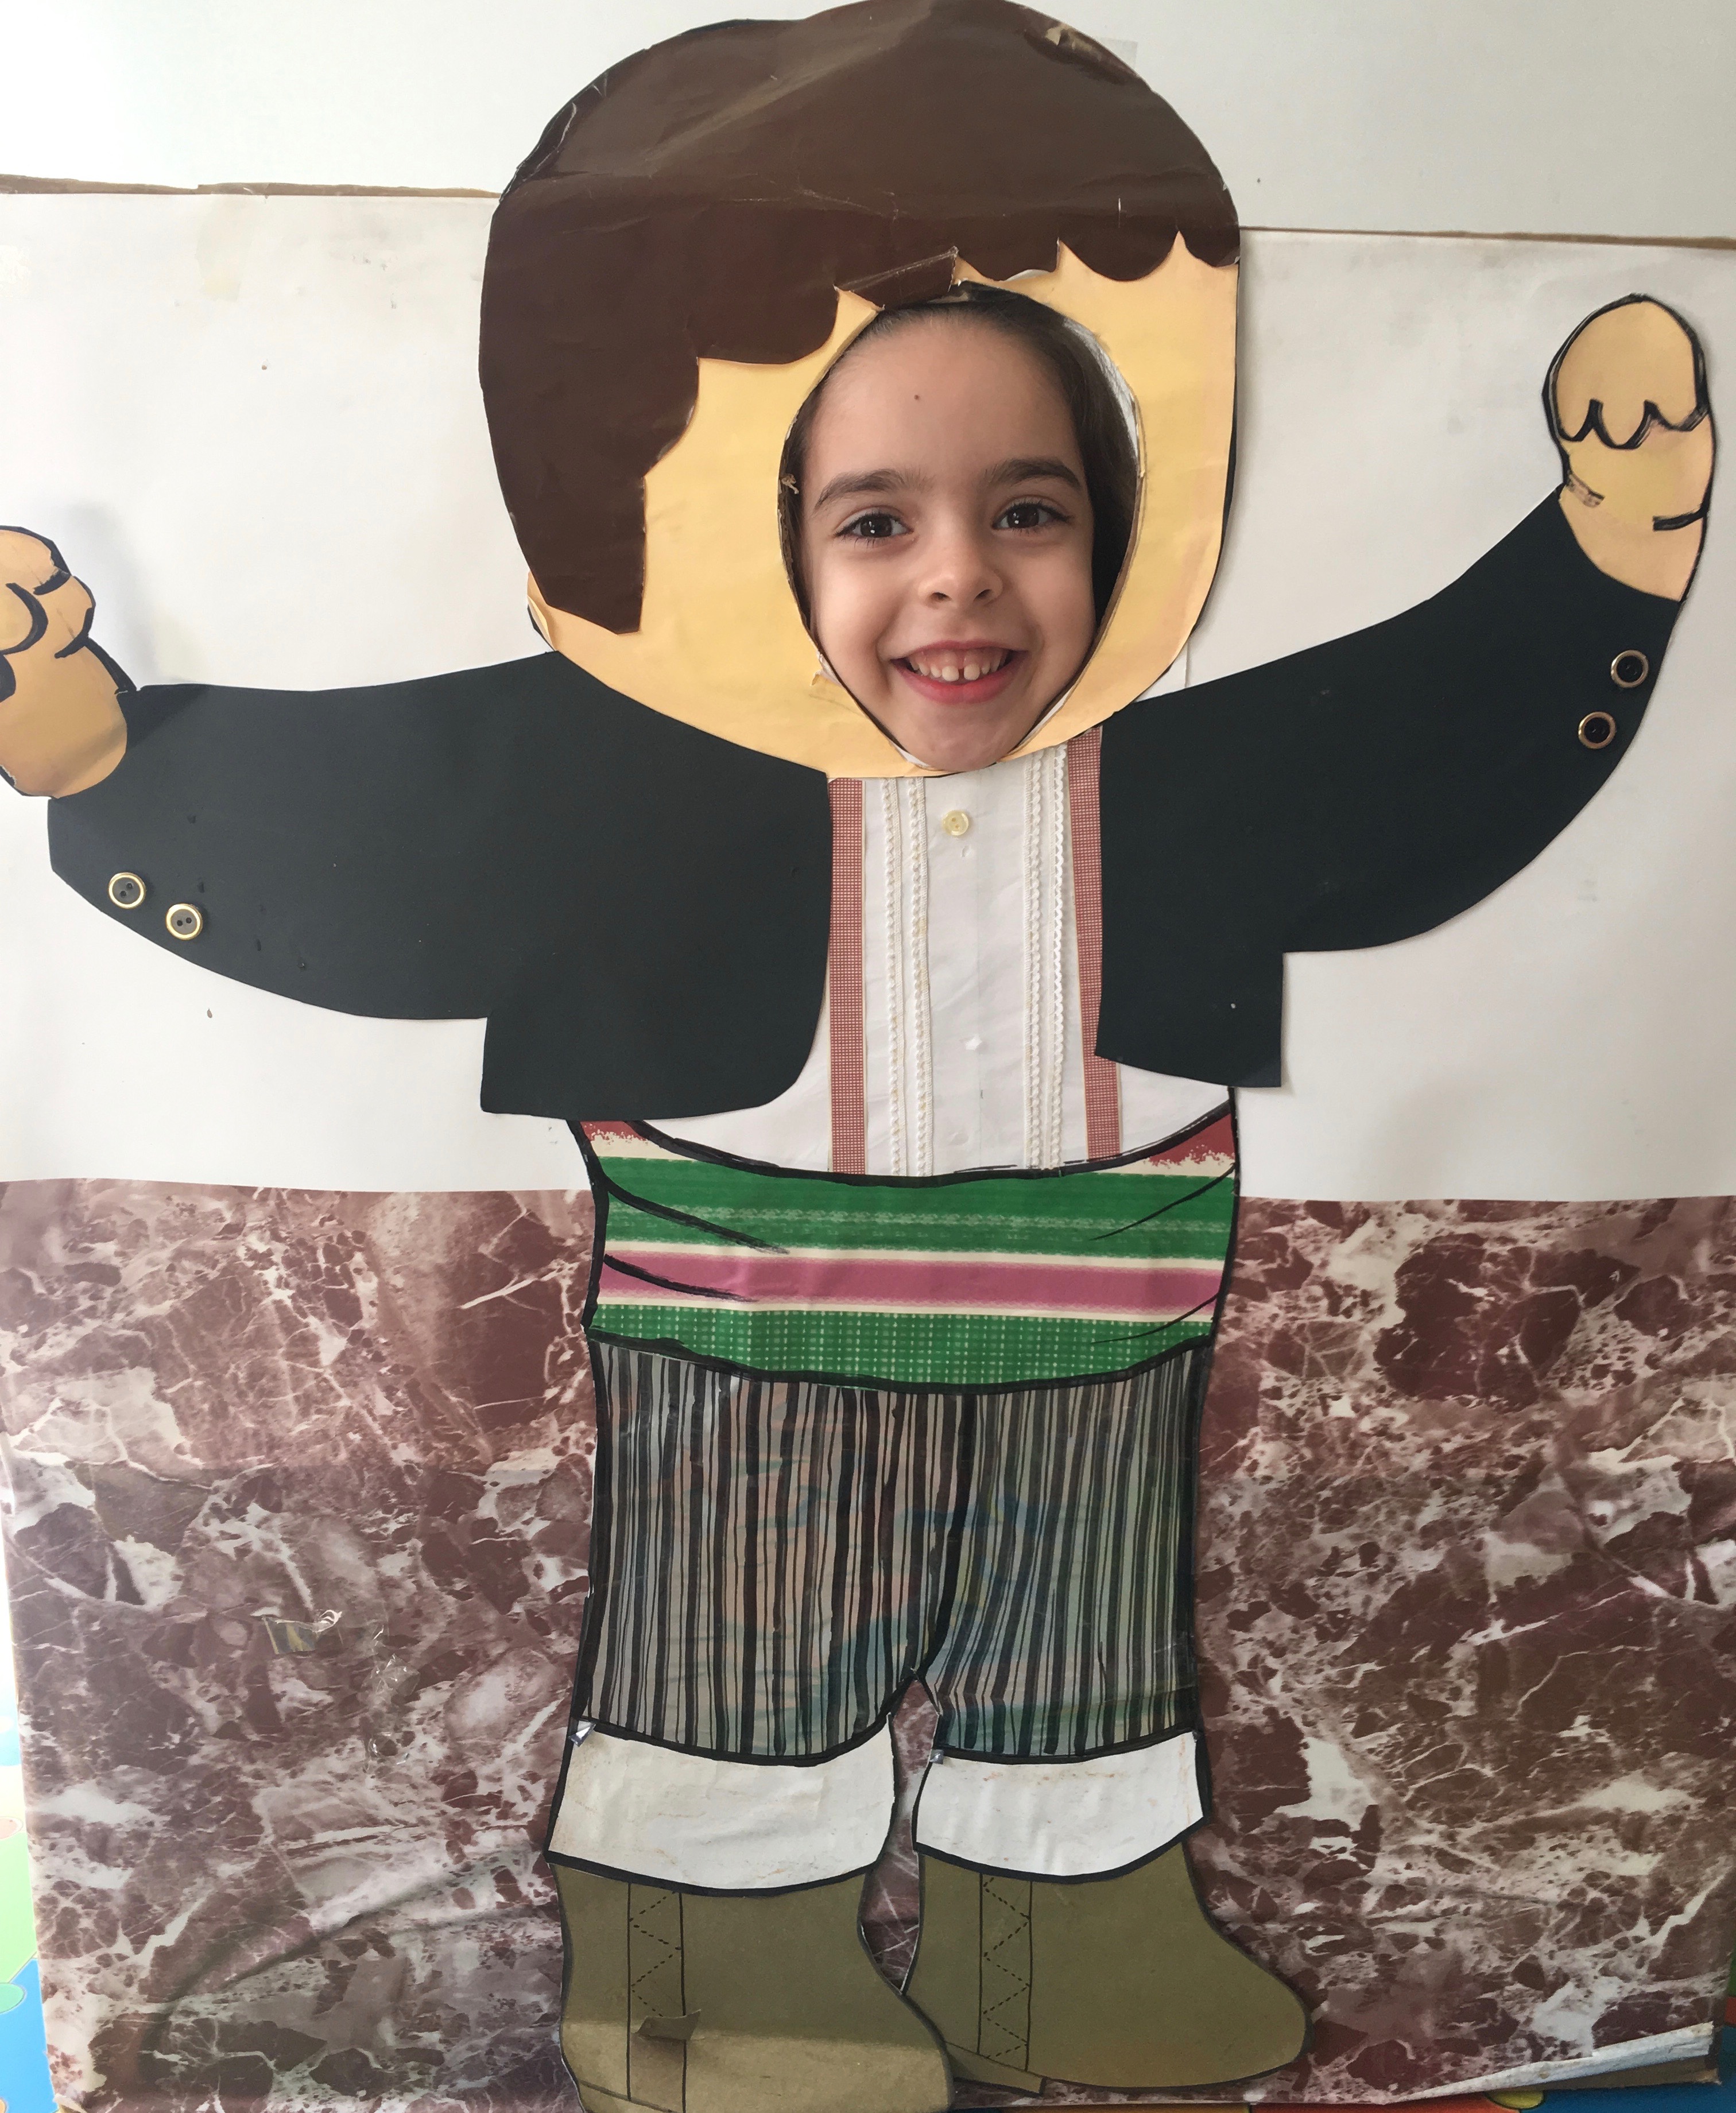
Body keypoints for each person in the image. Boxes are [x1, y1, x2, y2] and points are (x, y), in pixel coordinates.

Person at [0, 4, 1713, 2110]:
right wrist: (111, 762)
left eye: (1033, 506)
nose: (960, 580)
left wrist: (1598, 558)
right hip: (745, 1308)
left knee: (1080, 1645)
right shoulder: (607, 778)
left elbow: (1417, 749)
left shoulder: (1191, 770)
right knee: (741, 1642)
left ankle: (1069, 1925)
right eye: (875, 519)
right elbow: (372, 834)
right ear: (738, 520)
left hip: (1106, 1309)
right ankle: (718, 1968)